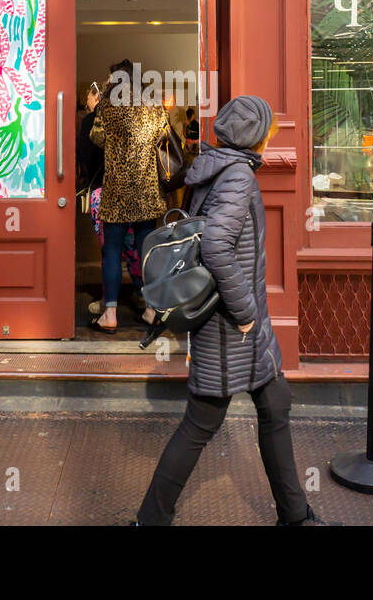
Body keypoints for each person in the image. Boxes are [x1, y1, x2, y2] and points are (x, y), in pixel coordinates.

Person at [135, 95, 329, 526]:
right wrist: (245, 314)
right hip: (231, 324)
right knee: (201, 423)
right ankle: (150, 520)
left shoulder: (214, 167)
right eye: (266, 134)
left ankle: (296, 516)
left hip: (240, 325)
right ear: (255, 138)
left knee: (275, 403)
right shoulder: (238, 176)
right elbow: (218, 247)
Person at [89, 60, 168, 333]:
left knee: (112, 251)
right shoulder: (154, 105)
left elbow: (96, 137)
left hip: (118, 190)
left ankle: (109, 314)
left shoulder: (108, 107)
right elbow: (163, 136)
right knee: (148, 252)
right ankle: (150, 309)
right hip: (146, 189)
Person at [78, 82, 143, 319]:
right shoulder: (134, 116)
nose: (87, 104)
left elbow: (85, 155)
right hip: (132, 190)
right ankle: (142, 295)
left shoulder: (94, 120)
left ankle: (109, 304)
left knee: (110, 249)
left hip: (102, 191)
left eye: (89, 99)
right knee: (133, 246)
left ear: (97, 96)